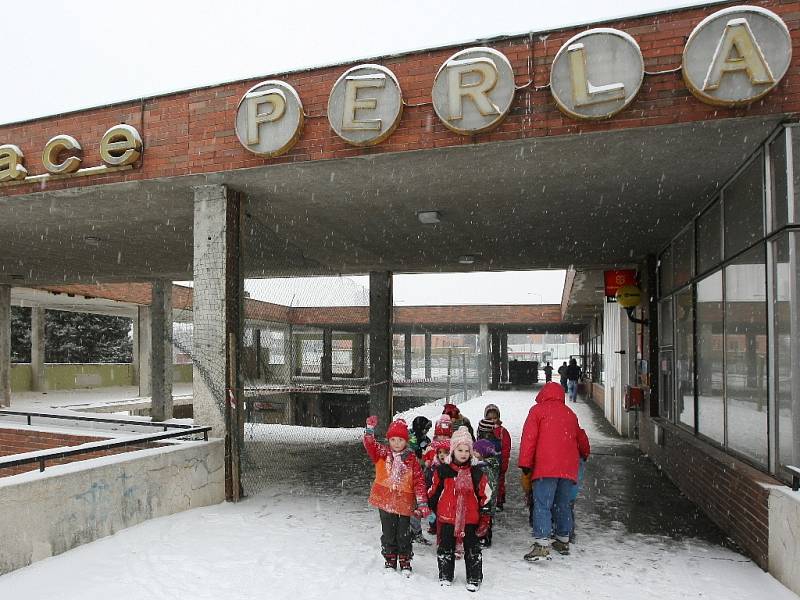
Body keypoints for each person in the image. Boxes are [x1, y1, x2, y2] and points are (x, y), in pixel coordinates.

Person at [517, 383, 590, 561]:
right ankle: (562, 539)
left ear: (543, 394)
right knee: (563, 504)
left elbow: (529, 438)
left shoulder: (537, 411)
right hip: (568, 467)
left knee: (543, 504)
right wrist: (584, 453)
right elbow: (581, 438)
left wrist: (525, 463)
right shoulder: (569, 413)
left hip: (545, 467)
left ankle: (542, 544)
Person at [363, 416, 430, 575]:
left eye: (400, 440)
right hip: (385, 499)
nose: (396, 443)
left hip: (404, 501)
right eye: (393, 439)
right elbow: (370, 445)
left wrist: (422, 502)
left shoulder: (411, 458)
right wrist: (369, 431)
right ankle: (390, 558)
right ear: (389, 440)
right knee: (388, 532)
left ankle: (405, 559)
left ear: (406, 441)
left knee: (404, 533)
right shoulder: (383, 453)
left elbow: (419, 481)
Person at [428, 426, 491, 592]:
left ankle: (474, 576)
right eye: (459, 450)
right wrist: (431, 507)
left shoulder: (476, 472)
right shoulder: (443, 470)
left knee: (472, 549)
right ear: (453, 451)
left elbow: (485, 495)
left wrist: (485, 515)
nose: (463, 453)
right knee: (445, 547)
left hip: (470, 518)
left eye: (466, 450)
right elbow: (434, 490)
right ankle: (445, 575)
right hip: (447, 516)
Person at [476, 403, 511, 510]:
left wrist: (504, 464)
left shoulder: (502, 432)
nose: (492, 420)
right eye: (489, 418)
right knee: (485, 481)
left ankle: (499, 500)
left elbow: (506, 449)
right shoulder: (482, 429)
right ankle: (485, 499)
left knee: (498, 482)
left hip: (498, 461)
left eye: (494, 418)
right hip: (484, 461)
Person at [408, 416, 433, 546]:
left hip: (420, 476)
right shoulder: (409, 438)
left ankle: (415, 532)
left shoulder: (425, 440)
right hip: (409, 477)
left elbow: (428, 453)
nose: (427, 431)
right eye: (425, 429)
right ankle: (412, 533)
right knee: (412, 506)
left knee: (416, 506)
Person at [473, 439, 500, 548]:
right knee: (484, 518)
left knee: (485, 519)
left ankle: (484, 538)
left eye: (476, 450)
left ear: (483, 453)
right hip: (488, 497)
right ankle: (482, 536)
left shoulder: (485, 467)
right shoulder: (489, 464)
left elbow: (488, 484)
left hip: (488, 498)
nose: (473, 452)